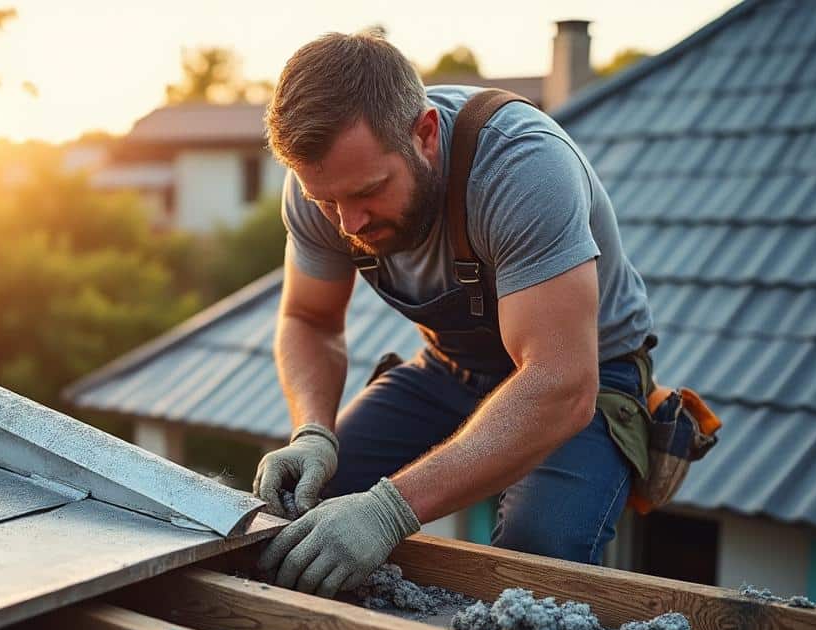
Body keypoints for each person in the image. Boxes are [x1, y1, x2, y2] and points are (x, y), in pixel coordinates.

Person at [253, 30, 655, 597]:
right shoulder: (326, 186)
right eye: (327, 202)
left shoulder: (522, 169)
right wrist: (314, 431)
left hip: (584, 376)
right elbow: (309, 320)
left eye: (369, 192)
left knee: (537, 553)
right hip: (449, 368)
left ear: (424, 135)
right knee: (302, 508)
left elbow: (560, 382)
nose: (348, 223)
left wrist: (390, 511)